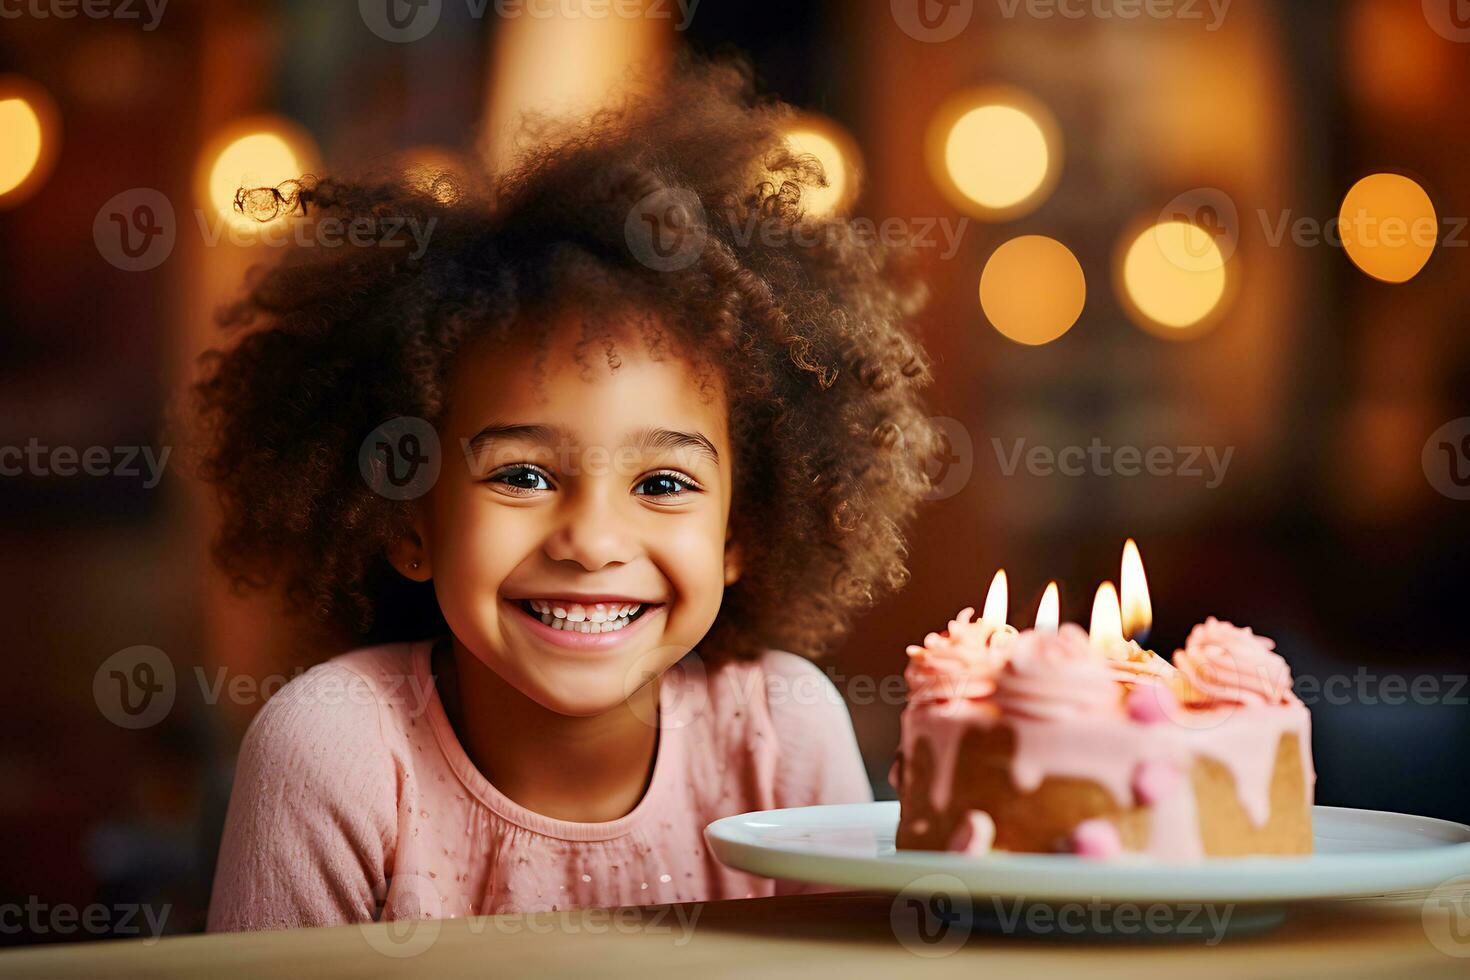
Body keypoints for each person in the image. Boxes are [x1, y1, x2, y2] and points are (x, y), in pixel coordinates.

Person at [199, 58, 940, 930]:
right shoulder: (335, 750)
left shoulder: (780, 732)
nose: (591, 540)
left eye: (662, 483)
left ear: (744, 529)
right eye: (522, 475)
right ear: (410, 518)